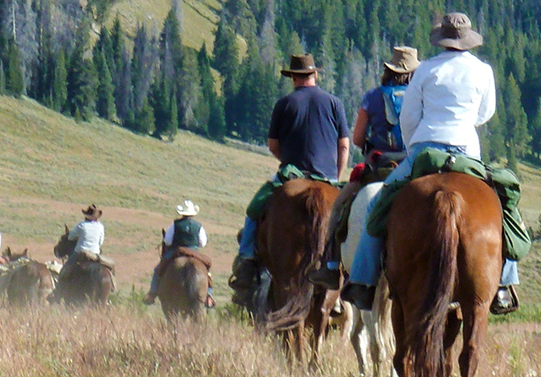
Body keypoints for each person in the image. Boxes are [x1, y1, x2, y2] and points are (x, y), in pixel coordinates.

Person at [341, 11, 519, 314]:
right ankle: (503, 285)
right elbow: (485, 113)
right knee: (504, 207)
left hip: (425, 147)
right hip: (467, 150)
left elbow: (409, 117)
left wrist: (415, 146)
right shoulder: (483, 70)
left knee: (378, 205)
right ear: (468, 39)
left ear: (442, 39)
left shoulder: (425, 70)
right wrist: (463, 122)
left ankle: (362, 281)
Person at [229, 54, 351, 306]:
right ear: (315, 75)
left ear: (293, 77)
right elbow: (344, 146)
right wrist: (334, 177)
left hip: (292, 174)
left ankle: (247, 262)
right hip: (328, 177)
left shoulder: (284, 103)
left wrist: (287, 159)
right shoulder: (334, 103)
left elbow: (273, 144)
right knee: (350, 221)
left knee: (253, 211)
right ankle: (353, 276)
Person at [309, 45, 419, 289]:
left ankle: (330, 266)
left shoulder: (372, 97)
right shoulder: (420, 96)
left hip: (380, 167)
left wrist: (371, 145)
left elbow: (357, 138)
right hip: (414, 165)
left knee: (339, 207)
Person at [144, 200, 213, 307]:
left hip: (176, 251)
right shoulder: (198, 226)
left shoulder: (175, 224)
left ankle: (152, 294)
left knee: (158, 270)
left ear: (182, 213)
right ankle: (208, 296)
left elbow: (167, 241)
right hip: (194, 252)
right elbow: (202, 243)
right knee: (207, 272)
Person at [55, 204, 105, 292]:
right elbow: (100, 242)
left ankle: (58, 291)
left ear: (86, 216)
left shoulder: (82, 225)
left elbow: (70, 237)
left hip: (80, 253)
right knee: (108, 267)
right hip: (95, 255)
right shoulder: (101, 227)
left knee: (65, 269)